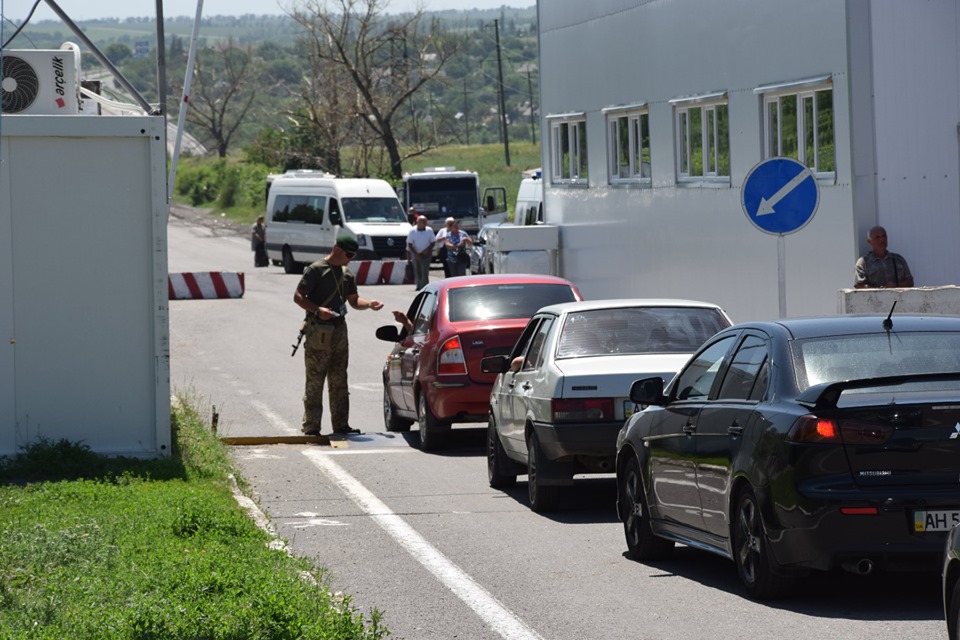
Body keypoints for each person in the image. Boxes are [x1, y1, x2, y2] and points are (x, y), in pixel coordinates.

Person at [294, 233, 384, 436]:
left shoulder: (346, 274)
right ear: (338, 249)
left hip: (339, 331)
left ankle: (341, 425)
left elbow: (354, 300)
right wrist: (318, 310)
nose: (350, 259)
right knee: (315, 380)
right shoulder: (316, 270)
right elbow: (298, 296)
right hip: (319, 331)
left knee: (339, 380)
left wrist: (369, 304)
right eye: (349, 254)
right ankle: (311, 426)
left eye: (353, 256)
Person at [406, 215, 436, 290]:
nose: (424, 223)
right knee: (417, 270)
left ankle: (425, 286)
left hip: (426, 253)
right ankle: (419, 285)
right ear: (418, 222)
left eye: (425, 222)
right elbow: (409, 243)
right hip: (415, 252)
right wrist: (415, 254)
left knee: (425, 270)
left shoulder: (429, 230)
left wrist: (428, 250)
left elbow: (433, 242)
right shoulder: (412, 231)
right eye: (422, 222)